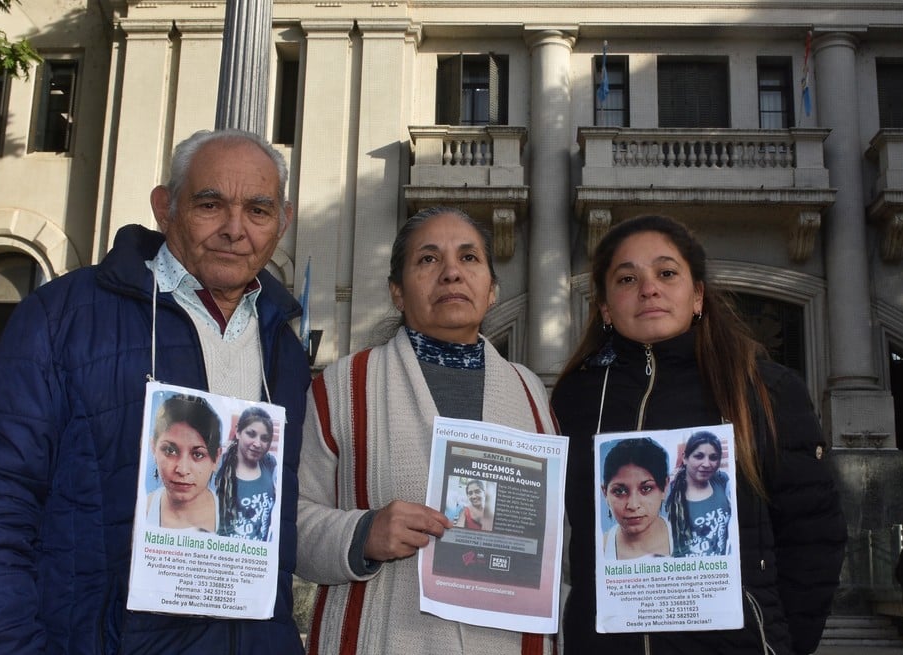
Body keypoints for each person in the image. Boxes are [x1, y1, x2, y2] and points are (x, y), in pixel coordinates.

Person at [0, 129, 310, 654]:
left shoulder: (285, 351)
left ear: (282, 222)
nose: (234, 228)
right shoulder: (63, 317)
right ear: (165, 208)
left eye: (258, 210)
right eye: (209, 205)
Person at [552, 215, 847, 655]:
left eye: (667, 273)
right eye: (627, 278)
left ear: (697, 296)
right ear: (606, 308)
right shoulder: (576, 398)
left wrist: (779, 642)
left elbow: (814, 534)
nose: (649, 288)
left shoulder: (763, 389)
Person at [297, 207, 557, 654]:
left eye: (469, 258)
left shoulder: (530, 391)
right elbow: (289, 521)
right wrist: (363, 534)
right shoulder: (344, 385)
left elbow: (556, 536)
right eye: (429, 259)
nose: (452, 273)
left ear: (492, 291)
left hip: (509, 642)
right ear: (397, 292)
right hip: (383, 640)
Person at [147, 393, 223, 532]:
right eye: (170, 450)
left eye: (198, 454)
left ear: (216, 458)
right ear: (153, 448)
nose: (182, 470)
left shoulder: (233, 519)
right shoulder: (143, 511)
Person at [601, 438, 672, 559]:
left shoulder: (688, 540)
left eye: (646, 489)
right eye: (619, 491)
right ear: (605, 493)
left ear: (665, 487)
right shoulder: (600, 550)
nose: (633, 505)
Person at [665, 431, 732, 557]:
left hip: (721, 568)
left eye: (713, 457)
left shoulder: (722, 481)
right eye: (699, 456)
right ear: (685, 458)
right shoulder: (668, 495)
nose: (706, 464)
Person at [217, 406, 278, 540]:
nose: (257, 443)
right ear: (238, 432)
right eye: (251, 434)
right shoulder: (218, 467)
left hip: (259, 552)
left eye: (264, 438)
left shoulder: (270, 464)